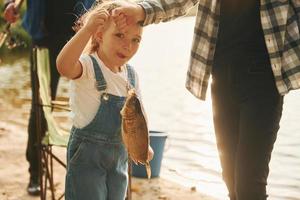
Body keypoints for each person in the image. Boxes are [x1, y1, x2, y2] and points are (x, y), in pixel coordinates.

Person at [112, 1, 300, 200]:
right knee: (230, 180)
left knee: (249, 186)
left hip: (263, 84)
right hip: (222, 81)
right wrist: (141, 11)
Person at [56, 0, 153, 199]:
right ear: (99, 35)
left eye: (136, 40)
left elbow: (140, 116)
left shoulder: (131, 75)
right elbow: (63, 66)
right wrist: (87, 29)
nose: (128, 46)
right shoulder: (88, 67)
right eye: (119, 35)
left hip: (118, 162)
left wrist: (144, 144)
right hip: (87, 161)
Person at [3, 0, 95, 196]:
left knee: (95, 101)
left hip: (82, 37)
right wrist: (12, 3)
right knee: (41, 106)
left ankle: (95, 168)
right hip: (44, 37)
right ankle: (35, 173)